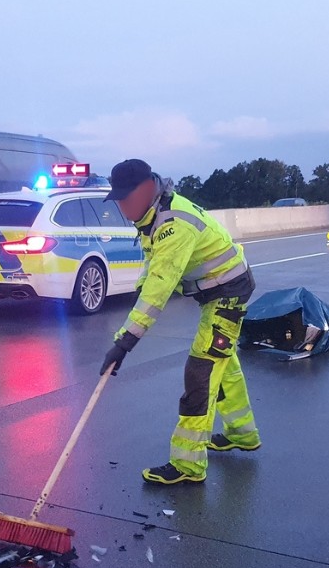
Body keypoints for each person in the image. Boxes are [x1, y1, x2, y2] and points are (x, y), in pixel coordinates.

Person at [100, 159, 261, 485]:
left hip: (227, 293)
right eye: (116, 197)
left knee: (201, 371)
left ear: (146, 190)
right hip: (218, 288)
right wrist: (141, 291)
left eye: (125, 197)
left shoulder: (174, 224)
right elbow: (153, 266)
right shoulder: (152, 214)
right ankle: (242, 434)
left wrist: (124, 342)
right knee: (223, 364)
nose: (120, 205)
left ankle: (188, 466)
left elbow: (161, 286)